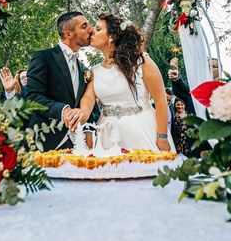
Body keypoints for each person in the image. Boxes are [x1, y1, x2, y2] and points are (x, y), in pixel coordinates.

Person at [71, 14, 174, 152]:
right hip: (108, 135)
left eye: (98, 29)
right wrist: (83, 111)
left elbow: (161, 100)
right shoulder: (95, 71)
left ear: (111, 37)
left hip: (143, 131)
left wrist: (162, 136)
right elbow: (88, 97)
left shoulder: (141, 61)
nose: (92, 31)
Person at [25, 12, 97, 151]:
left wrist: (87, 127)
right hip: (44, 141)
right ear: (69, 34)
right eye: (84, 26)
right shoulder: (43, 57)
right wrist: (62, 110)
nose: (90, 29)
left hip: (76, 143)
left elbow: (89, 105)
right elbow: (31, 97)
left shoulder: (84, 69)